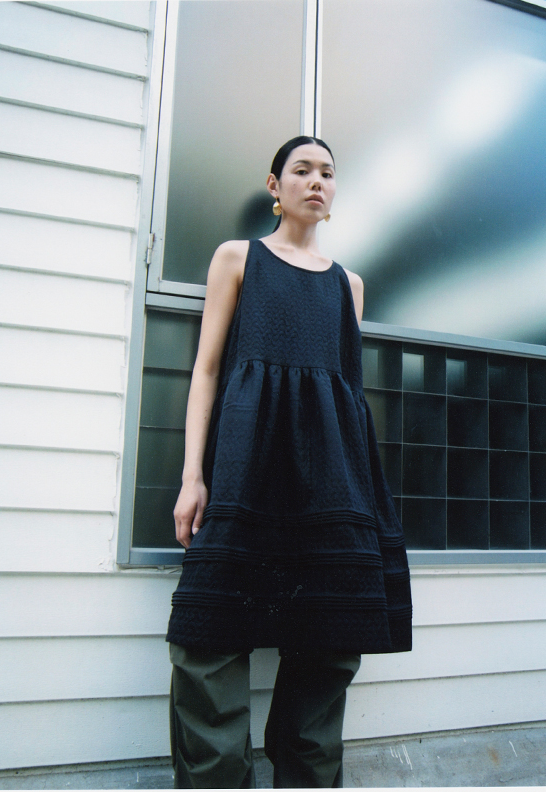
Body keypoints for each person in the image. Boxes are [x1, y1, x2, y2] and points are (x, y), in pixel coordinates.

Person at [166, 136, 412, 789]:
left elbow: (347, 394)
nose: (316, 181)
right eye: (301, 170)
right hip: (246, 467)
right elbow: (207, 370)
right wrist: (193, 477)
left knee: (329, 637)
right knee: (212, 630)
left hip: (331, 478)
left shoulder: (348, 285)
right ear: (274, 185)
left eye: (327, 172)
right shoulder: (237, 258)